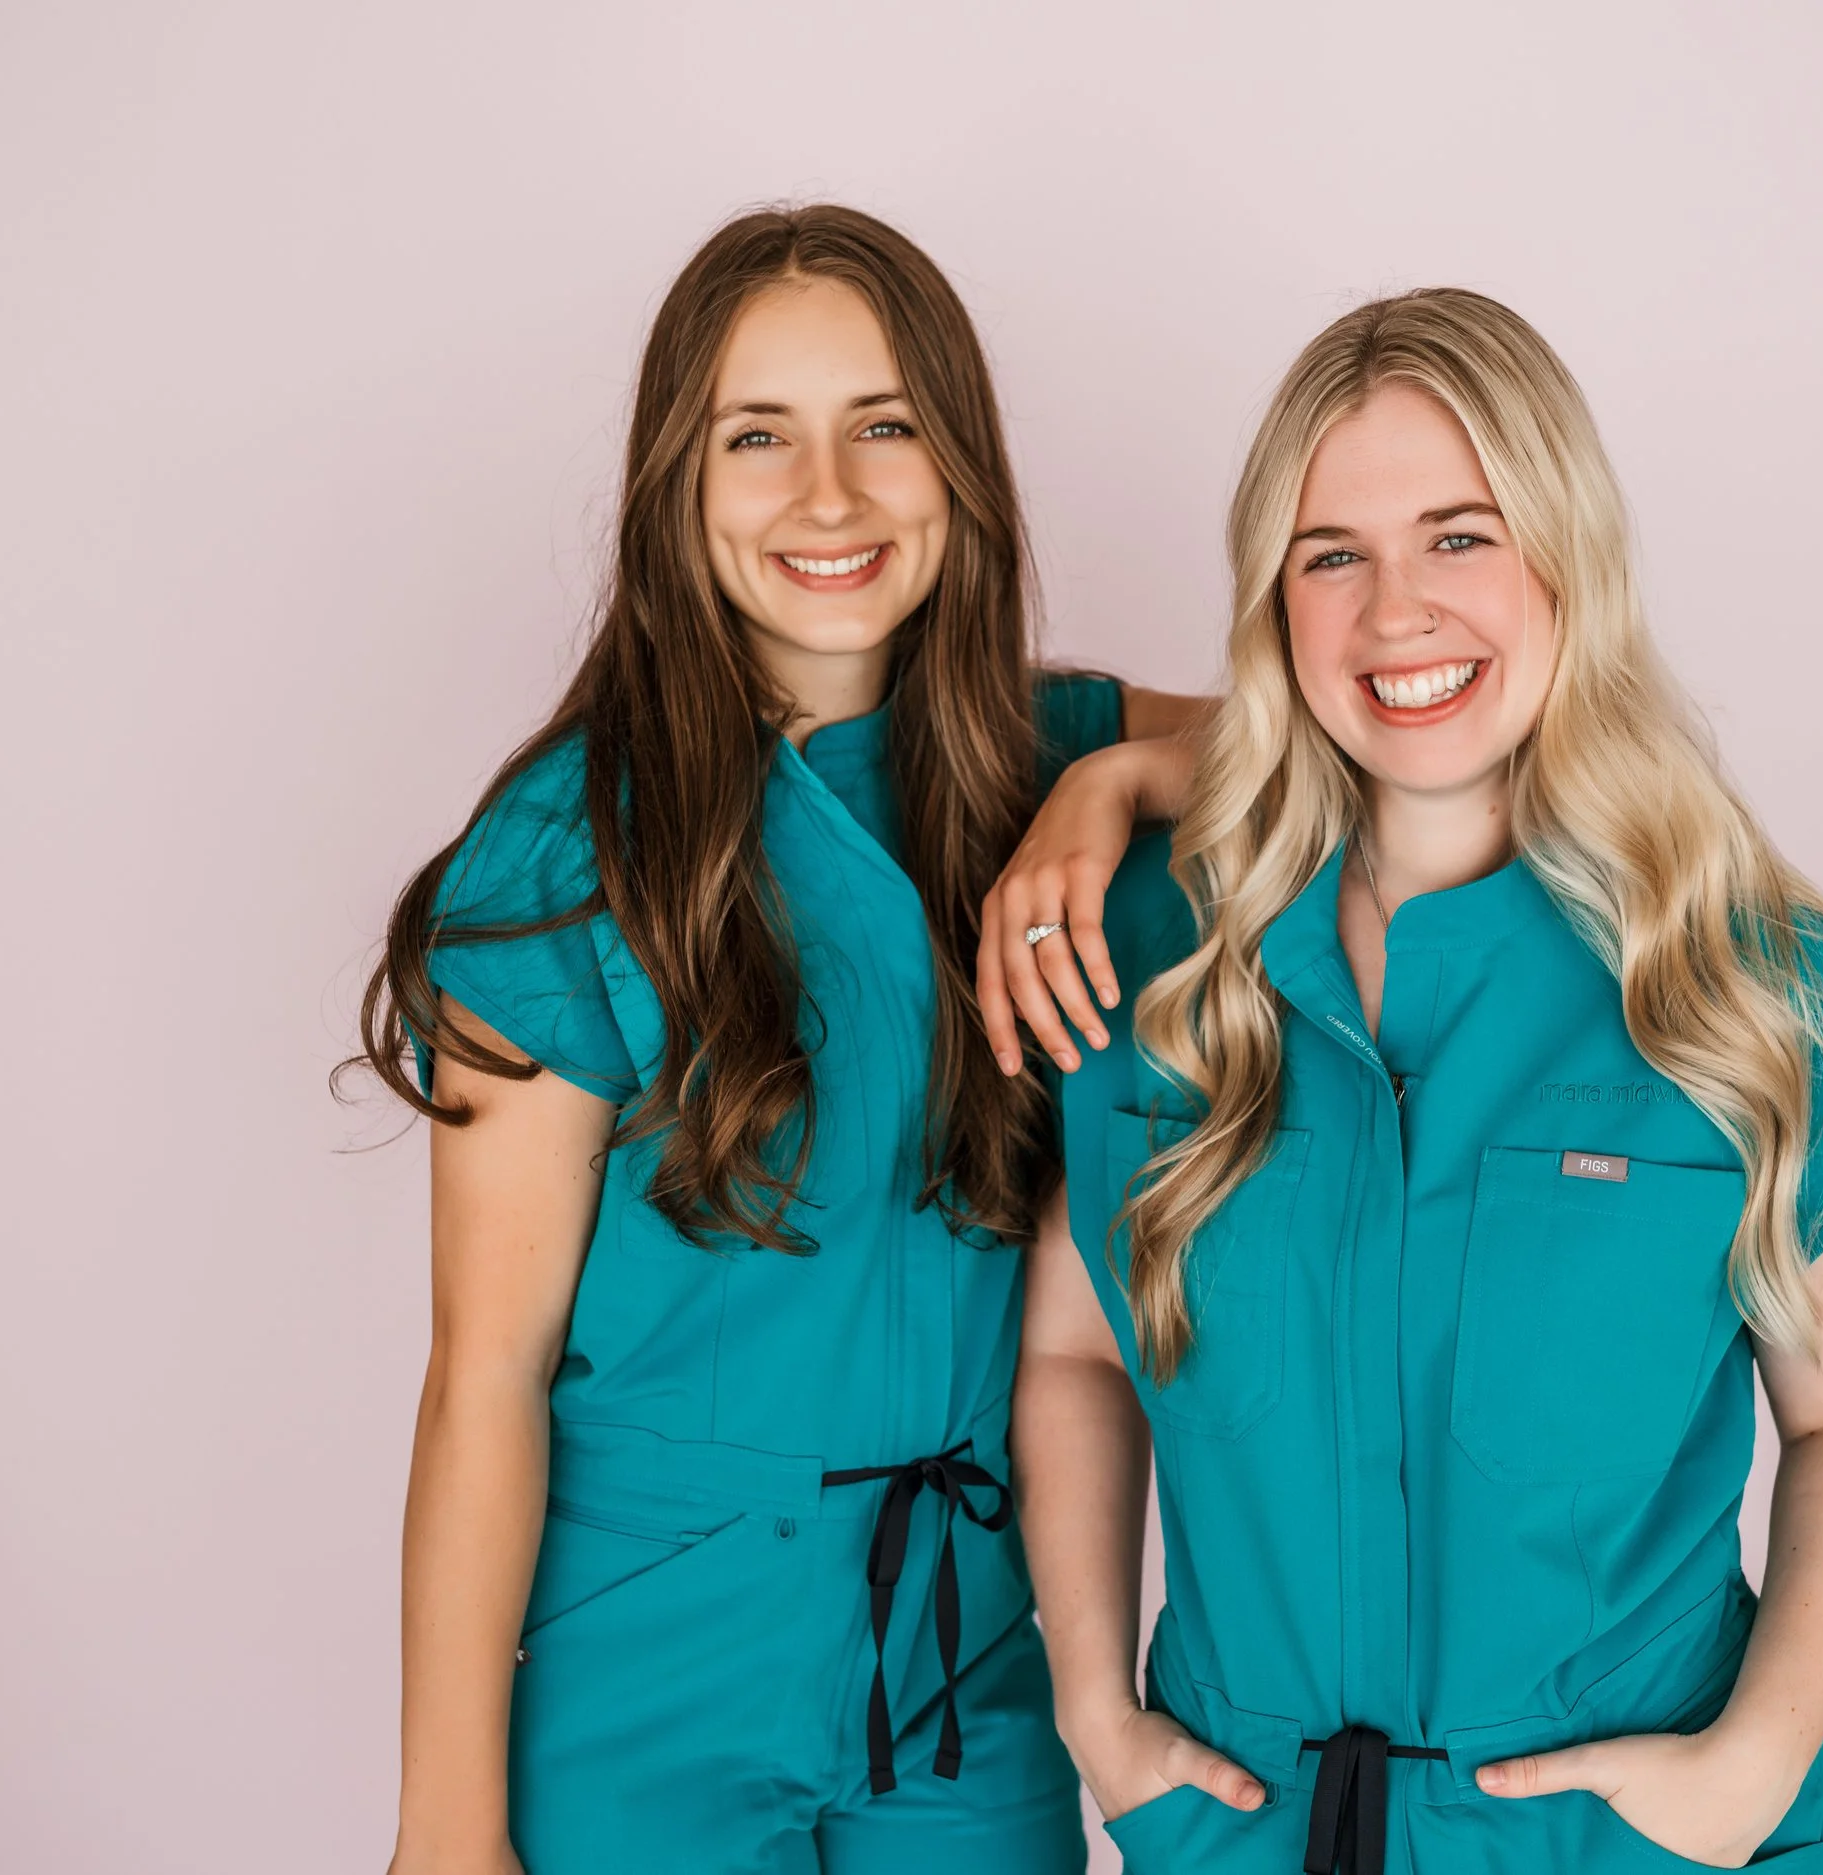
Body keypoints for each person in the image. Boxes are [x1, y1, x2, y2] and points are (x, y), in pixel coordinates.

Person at [1004, 289, 1823, 1874]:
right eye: (1333, 554)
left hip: (1629, 1838)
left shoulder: (1757, 980)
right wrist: (1099, 1710)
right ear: (1274, 600)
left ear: (1565, 557)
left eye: (1462, 536)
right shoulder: (1160, 956)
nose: (1397, 613)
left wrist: (1753, 1763)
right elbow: (1074, 1348)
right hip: (1245, 1832)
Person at [354, 204, 1203, 1875]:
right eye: (761, 437)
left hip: (961, 1658)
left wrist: (1115, 781)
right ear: (680, 485)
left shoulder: (1044, 746)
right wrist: (448, 1834)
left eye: (885, 426)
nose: (831, 496)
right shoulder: (562, 848)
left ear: (959, 465)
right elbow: (486, 1376)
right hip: (651, 1648)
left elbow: (1321, 732)